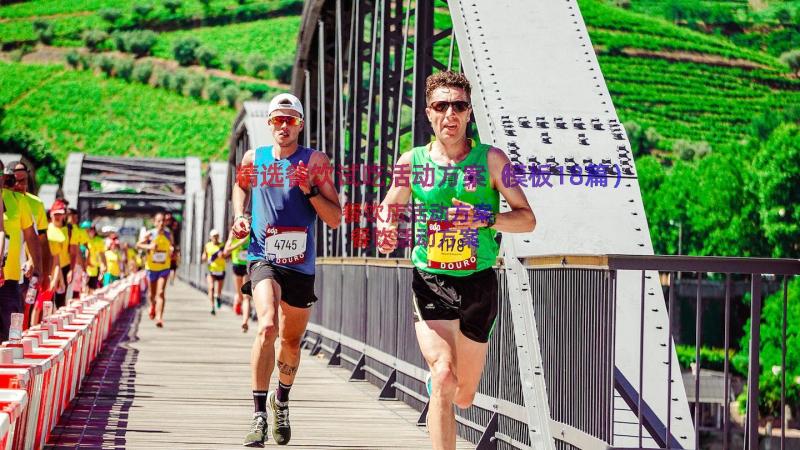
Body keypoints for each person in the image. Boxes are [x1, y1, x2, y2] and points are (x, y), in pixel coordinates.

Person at [376, 71, 536, 450]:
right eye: (441, 105)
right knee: (444, 376)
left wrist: (486, 218)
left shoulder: (494, 160)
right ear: (428, 114)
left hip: (479, 283)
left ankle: (443, 389)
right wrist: (385, 228)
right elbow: (389, 205)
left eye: (459, 106)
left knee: (463, 394)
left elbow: (527, 218)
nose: (450, 113)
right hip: (430, 279)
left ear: (469, 114)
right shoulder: (411, 160)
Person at [230, 93, 341, 447]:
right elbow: (239, 186)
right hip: (263, 256)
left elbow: (336, 218)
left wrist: (308, 191)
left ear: (300, 125)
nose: (283, 125)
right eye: (278, 119)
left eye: (290, 120)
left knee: (291, 343)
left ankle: (283, 400)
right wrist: (240, 216)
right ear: (269, 124)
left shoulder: (315, 162)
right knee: (267, 326)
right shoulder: (255, 158)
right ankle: (259, 414)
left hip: (300, 266)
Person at [0, 160, 42, 342]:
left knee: (12, 333)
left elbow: (32, 236)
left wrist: (36, 264)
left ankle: (13, 369)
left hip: (10, 277)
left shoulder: (18, 200)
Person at [9, 161, 52, 322]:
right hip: (7, 265)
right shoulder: (4, 200)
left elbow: (41, 240)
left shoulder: (36, 204)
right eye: (15, 180)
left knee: (22, 313)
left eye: (23, 181)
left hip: (26, 268)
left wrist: (43, 271)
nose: (19, 185)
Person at [137, 212, 173, 328]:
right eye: (159, 221)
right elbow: (138, 245)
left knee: (161, 292)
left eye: (163, 221)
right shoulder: (150, 234)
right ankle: (152, 305)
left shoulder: (168, 234)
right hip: (152, 267)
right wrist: (149, 246)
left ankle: (159, 317)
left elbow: (172, 247)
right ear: (154, 222)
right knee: (152, 294)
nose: (161, 223)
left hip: (164, 267)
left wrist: (172, 251)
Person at [46, 200, 75, 309]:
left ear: (64, 215)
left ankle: (58, 323)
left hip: (64, 267)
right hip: (49, 268)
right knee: (45, 300)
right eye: (55, 214)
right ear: (51, 214)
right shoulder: (46, 228)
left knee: (60, 299)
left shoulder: (68, 230)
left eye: (60, 214)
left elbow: (73, 252)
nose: (58, 216)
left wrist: (71, 269)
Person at [224, 233, 251, 332]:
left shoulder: (252, 232)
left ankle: (245, 321)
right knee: (240, 296)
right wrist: (241, 243)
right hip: (237, 266)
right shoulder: (233, 234)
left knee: (246, 297)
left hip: (248, 266)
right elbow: (226, 251)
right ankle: (237, 300)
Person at [202, 229, 226, 315]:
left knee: (218, 290)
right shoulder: (207, 245)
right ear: (210, 237)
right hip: (210, 270)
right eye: (213, 236)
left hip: (220, 270)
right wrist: (204, 257)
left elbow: (227, 256)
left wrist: (223, 255)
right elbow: (204, 255)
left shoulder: (222, 245)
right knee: (211, 288)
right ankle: (212, 306)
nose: (215, 238)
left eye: (216, 236)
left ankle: (218, 297)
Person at [83, 222, 105, 294]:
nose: (90, 231)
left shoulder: (99, 240)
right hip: (86, 267)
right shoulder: (85, 240)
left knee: (92, 287)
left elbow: (102, 254)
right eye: (89, 230)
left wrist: (103, 266)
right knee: (84, 287)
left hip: (95, 267)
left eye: (92, 230)